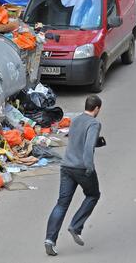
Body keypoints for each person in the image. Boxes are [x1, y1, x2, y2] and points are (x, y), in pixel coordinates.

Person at [44, 95, 104, 256]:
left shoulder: (76, 120)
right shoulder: (94, 123)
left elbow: (76, 139)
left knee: (62, 204)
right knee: (93, 195)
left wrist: (98, 142)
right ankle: (75, 226)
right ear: (97, 108)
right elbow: (88, 146)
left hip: (66, 166)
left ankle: (50, 240)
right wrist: (89, 167)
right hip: (81, 168)